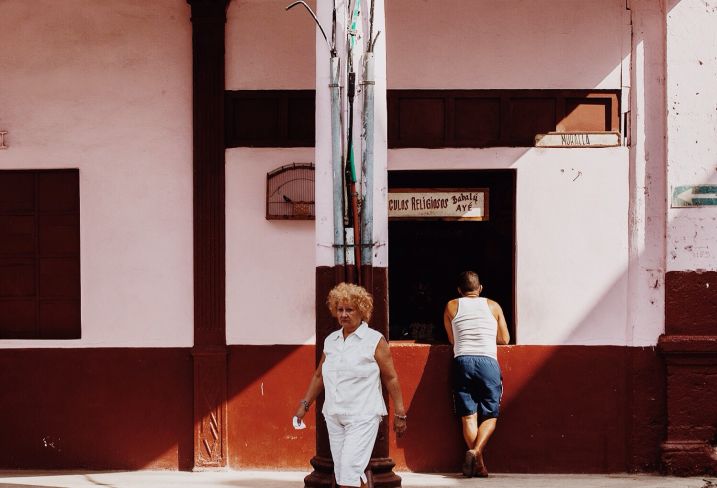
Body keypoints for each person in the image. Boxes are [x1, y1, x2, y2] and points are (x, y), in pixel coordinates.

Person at [295, 282, 407, 488]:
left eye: (350, 309)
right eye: (340, 309)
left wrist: (400, 412)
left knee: (348, 470)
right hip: (334, 415)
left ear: (362, 311)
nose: (344, 314)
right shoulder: (331, 340)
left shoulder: (374, 340)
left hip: (362, 416)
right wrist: (305, 404)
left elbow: (391, 378)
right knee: (345, 473)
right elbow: (320, 375)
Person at [443, 271, 510, 478]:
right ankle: (476, 452)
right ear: (480, 288)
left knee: (468, 416)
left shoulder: (452, 306)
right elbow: (505, 339)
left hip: (462, 361)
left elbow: (452, 340)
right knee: (490, 415)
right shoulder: (493, 306)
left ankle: (479, 465)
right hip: (488, 361)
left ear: (459, 290)